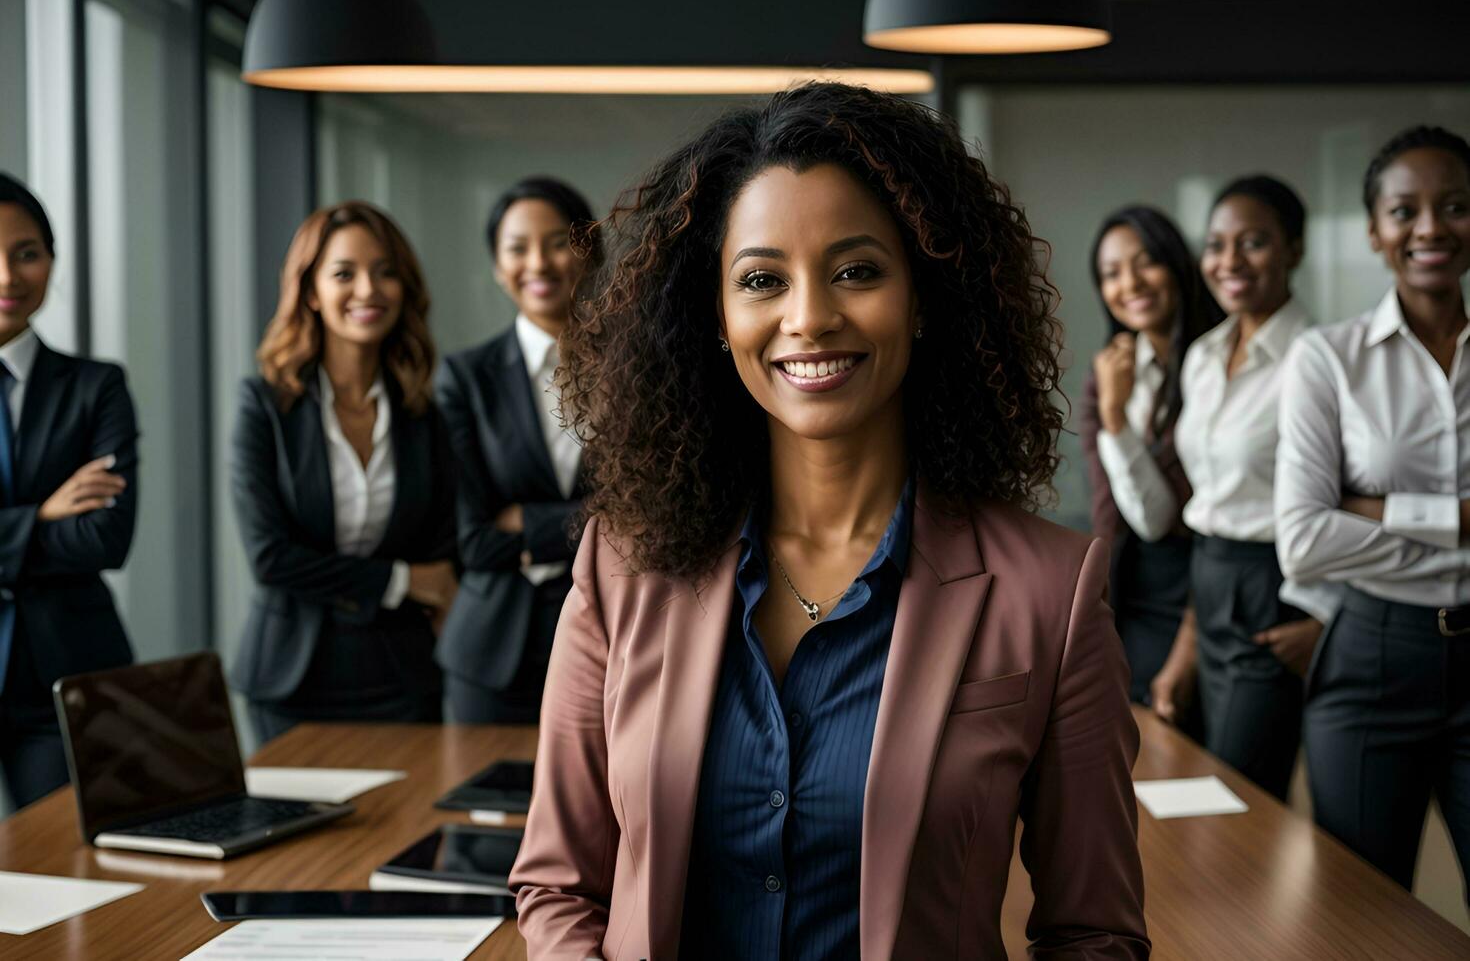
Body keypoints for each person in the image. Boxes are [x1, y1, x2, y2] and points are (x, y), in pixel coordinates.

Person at [509, 82, 1148, 959]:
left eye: (856, 270)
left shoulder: (1051, 591)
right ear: (717, 317)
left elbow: (1093, 933)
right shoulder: (618, 567)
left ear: (925, 298)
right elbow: (558, 886)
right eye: (762, 280)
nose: (808, 316)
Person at [1277, 126, 1470, 892]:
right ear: (1375, 230)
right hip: (1372, 660)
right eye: (1405, 210)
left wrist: (1377, 509)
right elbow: (1304, 541)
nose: (1430, 228)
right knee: (1364, 913)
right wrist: (1458, 520)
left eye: (1455, 206)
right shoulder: (1329, 358)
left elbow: (1336, 527)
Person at [230, 201, 458, 745]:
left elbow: (444, 546)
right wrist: (402, 580)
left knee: (415, 831)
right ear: (310, 291)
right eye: (344, 274)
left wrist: (429, 578)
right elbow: (269, 557)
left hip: (402, 674)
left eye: (385, 272)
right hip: (292, 678)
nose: (368, 290)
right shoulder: (264, 405)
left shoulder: (424, 414)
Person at [1175, 176, 1337, 800]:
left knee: (1241, 795)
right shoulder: (1204, 355)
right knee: (1201, 788)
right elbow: (1210, 504)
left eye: (1254, 242)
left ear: (1294, 250)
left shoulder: (1318, 358)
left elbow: (1348, 497)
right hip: (1209, 581)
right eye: (1216, 245)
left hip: (1275, 588)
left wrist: (1326, 614)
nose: (1230, 261)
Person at [435, 177, 596, 724]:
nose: (539, 263)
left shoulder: (642, 369)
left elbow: (659, 520)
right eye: (517, 248)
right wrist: (600, 525)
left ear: (589, 248)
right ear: (498, 269)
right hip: (491, 655)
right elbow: (472, 540)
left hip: (614, 641)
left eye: (557, 241)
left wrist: (526, 525)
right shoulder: (464, 379)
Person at [0, 172, 138, 809]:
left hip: (65, 675)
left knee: (63, 876)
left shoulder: (96, 387)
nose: (7, 277)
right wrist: (43, 514)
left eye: (26, 254)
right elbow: (68, 531)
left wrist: (14, 525)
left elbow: (105, 537)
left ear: (52, 261)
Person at [1081, 206, 1222, 726]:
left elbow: (1167, 516)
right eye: (1111, 273)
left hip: (1211, 583)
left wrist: (1115, 422)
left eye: (1145, 264)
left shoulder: (1219, 360)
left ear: (1177, 265)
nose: (1130, 284)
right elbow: (1114, 516)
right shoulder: (1109, 374)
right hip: (1138, 585)